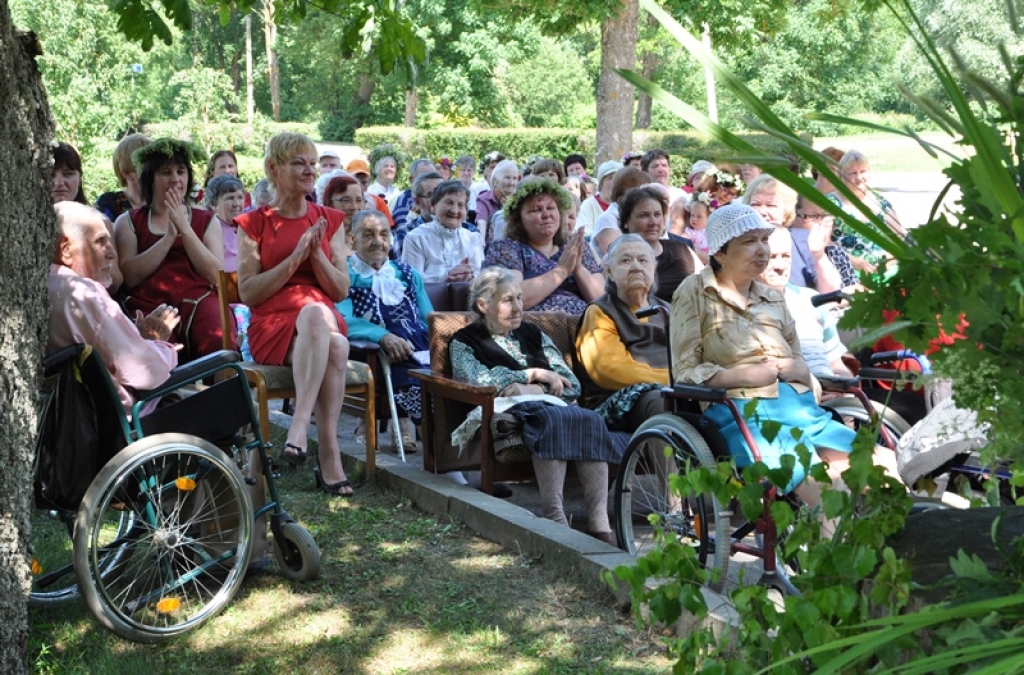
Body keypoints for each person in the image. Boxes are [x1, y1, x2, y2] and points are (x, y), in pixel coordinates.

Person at [670, 204, 897, 523]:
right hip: (741, 414)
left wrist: (800, 370)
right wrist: (742, 375)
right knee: (826, 487)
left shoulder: (772, 297)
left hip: (800, 410)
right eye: (749, 242)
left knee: (884, 464)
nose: (762, 249)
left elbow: (800, 364)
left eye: (764, 239)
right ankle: (831, 568)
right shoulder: (693, 292)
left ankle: (896, 558)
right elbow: (684, 373)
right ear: (721, 252)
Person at [451, 267, 623, 545]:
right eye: (508, 300)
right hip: (506, 409)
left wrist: (532, 387)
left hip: (549, 405)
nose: (518, 307)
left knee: (590, 419)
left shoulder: (534, 333)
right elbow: (476, 379)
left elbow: (571, 384)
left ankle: (599, 522)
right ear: (483, 305)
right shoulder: (464, 341)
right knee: (549, 418)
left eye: (519, 298)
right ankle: (554, 517)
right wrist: (530, 374)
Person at [234, 132, 353, 496]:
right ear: (274, 168)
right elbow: (249, 292)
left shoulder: (329, 219)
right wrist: (295, 259)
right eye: (299, 163)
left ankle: (299, 428)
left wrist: (315, 255)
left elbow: (340, 289)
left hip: (321, 315)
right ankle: (329, 456)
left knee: (318, 315)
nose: (309, 170)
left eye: (312, 163)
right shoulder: (253, 222)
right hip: (273, 324)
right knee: (336, 347)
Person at [48, 201, 179, 414]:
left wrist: (140, 337)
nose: (112, 254)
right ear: (66, 250)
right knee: (237, 392)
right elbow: (145, 373)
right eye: (100, 242)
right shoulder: (84, 294)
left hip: (73, 419)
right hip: (126, 422)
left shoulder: (44, 285)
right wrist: (158, 343)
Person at [113, 138, 227, 362]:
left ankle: (223, 393)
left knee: (217, 339)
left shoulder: (207, 220)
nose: (175, 179)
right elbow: (129, 277)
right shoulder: (127, 222)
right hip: (149, 304)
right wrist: (168, 239)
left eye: (181, 171)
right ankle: (168, 397)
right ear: (151, 179)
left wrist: (184, 228)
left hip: (200, 302)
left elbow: (216, 276)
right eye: (166, 172)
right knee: (158, 349)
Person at [338, 210, 432, 451]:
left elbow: (429, 319)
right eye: (368, 234)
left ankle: (461, 463)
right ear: (352, 239)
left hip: (419, 347)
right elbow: (342, 320)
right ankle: (442, 466)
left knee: (453, 383)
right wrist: (383, 336)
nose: (378, 241)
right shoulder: (343, 275)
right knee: (420, 386)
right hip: (373, 352)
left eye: (383, 234)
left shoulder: (408, 274)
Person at [576, 235, 670, 434]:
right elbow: (611, 370)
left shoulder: (669, 310)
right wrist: (671, 381)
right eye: (626, 260)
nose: (636, 267)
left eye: (643, 260)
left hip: (672, 389)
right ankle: (671, 467)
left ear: (653, 268)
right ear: (609, 271)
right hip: (619, 401)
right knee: (662, 401)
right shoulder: (600, 312)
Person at [483, 177, 603, 314]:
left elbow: (602, 302)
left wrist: (578, 268)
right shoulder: (506, 248)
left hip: (586, 327)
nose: (546, 214)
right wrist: (561, 271)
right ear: (518, 219)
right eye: (536, 210)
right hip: (535, 329)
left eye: (551, 208)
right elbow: (510, 298)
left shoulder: (575, 246)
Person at [759, 227, 853, 377]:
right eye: (772, 257)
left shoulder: (811, 299)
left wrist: (844, 388)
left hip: (833, 390)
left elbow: (836, 364)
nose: (780, 266)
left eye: (786, 256)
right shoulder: (744, 305)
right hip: (792, 393)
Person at [744, 174, 843, 294]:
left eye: (771, 205)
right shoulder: (737, 243)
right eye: (755, 204)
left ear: (786, 212)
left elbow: (831, 291)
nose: (761, 211)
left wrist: (818, 255)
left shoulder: (803, 240)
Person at [614, 185, 702, 302]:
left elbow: (707, 287)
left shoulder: (682, 250)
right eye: (644, 215)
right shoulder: (616, 258)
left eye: (657, 214)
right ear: (626, 221)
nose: (653, 222)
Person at [827, 149, 906, 275]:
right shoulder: (831, 203)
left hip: (885, 268)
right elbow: (825, 241)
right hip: (846, 269)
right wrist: (853, 261)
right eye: (852, 173)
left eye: (863, 171)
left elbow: (898, 238)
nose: (859, 178)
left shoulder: (881, 203)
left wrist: (887, 262)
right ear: (841, 176)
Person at [401, 179, 481, 282]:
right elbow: (413, 280)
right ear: (433, 207)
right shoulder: (416, 238)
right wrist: (447, 275)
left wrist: (470, 276)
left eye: (460, 205)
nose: (454, 210)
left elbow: (481, 277)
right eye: (449, 203)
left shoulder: (472, 239)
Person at [793, 195, 858, 289]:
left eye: (825, 215)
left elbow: (855, 291)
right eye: (812, 216)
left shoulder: (837, 253)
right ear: (792, 218)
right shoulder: (788, 252)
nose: (821, 222)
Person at [592, 167, 652, 255]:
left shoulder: (634, 215)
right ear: (629, 193)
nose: (649, 197)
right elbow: (619, 257)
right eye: (645, 192)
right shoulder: (608, 220)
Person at [95, 133, 150, 221]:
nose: (154, 171)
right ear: (127, 174)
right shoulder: (108, 202)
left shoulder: (163, 201)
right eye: (146, 168)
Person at [393, 171, 443, 258]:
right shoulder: (406, 232)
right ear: (418, 202)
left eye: (443, 194)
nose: (439, 199)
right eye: (431, 194)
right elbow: (406, 270)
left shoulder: (467, 230)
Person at [206, 174, 246, 273]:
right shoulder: (210, 229)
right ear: (213, 205)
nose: (237, 203)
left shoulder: (248, 227)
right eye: (230, 198)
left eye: (240, 197)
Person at [475, 159, 519, 242]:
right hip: (492, 247)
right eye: (507, 177)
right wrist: (481, 245)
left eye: (514, 178)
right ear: (495, 180)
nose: (511, 182)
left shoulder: (519, 200)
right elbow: (481, 224)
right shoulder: (485, 199)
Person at [577, 160, 621, 237]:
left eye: (618, 178)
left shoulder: (625, 206)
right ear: (601, 184)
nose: (615, 182)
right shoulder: (589, 205)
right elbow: (583, 232)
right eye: (610, 178)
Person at [346, 158, 394, 226]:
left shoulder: (378, 202)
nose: (359, 187)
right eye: (354, 182)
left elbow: (388, 228)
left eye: (363, 182)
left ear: (369, 181)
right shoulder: (338, 201)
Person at [389, 158, 436, 226]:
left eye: (433, 176)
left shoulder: (442, 198)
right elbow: (405, 232)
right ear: (412, 180)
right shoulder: (403, 202)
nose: (431, 181)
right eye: (424, 177)